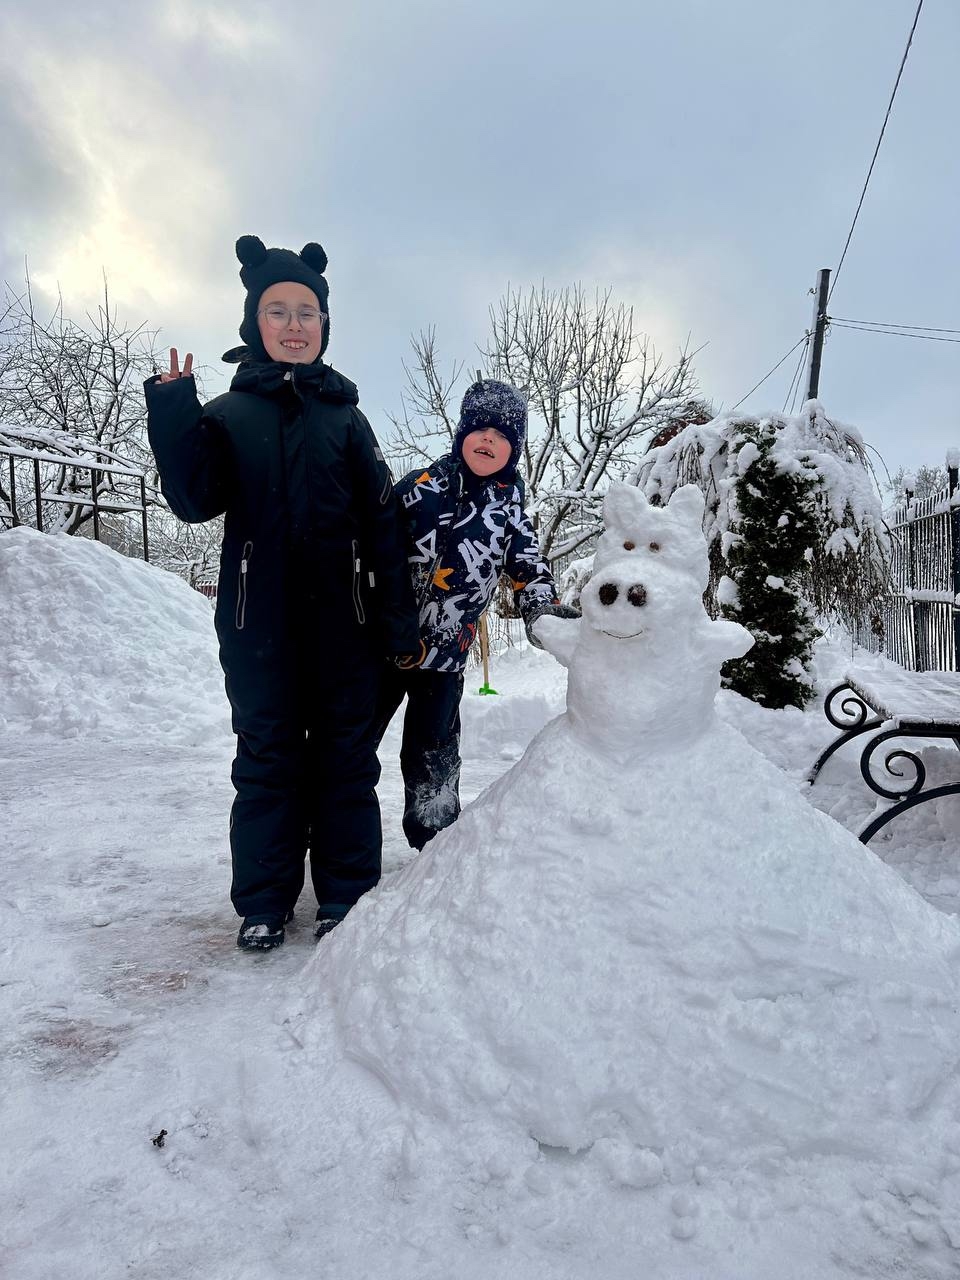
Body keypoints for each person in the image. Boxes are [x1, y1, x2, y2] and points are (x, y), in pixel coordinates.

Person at [145, 235, 420, 951]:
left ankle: (347, 895)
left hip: (344, 628)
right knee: (266, 759)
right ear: (254, 323)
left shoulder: (348, 421)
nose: (295, 324)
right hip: (255, 622)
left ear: (324, 324)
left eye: (308, 311)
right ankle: (264, 902)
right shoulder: (229, 415)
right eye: (279, 311)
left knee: (344, 760)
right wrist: (175, 414)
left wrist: (396, 623)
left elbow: (385, 527)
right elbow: (193, 500)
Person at [377, 378, 578, 851]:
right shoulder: (420, 488)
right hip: (382, 647)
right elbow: (372, 543)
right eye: (480, 429)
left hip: (445, 656)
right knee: (349, 747)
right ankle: (328, 835)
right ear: (461, 434)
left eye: (503, 435)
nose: (489, 440)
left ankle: (435, 845)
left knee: (435, 754)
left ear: (516, 449)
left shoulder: (510, 511)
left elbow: (528, 564)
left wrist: (540, 608)